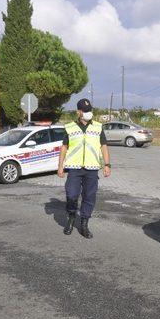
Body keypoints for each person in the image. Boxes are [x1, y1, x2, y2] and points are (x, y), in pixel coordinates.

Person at [57, 98, 111, 239]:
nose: (88, 113)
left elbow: (103, 146)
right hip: (74, 168)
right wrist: (60, 166)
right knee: (71, 194)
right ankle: (71, 217)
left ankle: (84, 224)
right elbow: (64, 147)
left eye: (90, 110)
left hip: (92, 168)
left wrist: (107, 164)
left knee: (89, 197)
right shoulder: (70, 127)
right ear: (78, 112)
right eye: (85, 111)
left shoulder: (98, 127)